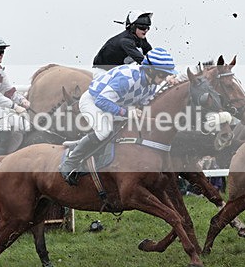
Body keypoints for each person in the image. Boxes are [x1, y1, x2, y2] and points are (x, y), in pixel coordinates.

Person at [60, 47, 177, 185]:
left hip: (114, 105)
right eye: (162, 75)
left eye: (165, 76)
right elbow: (101, 101)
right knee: (104, 131)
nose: (163, 79)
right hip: (93, 102)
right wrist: (127, 113)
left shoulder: (151, 85)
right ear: (151, 70)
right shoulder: (127, 79)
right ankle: (69, 163)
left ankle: (86, 149)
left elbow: (143, 106)